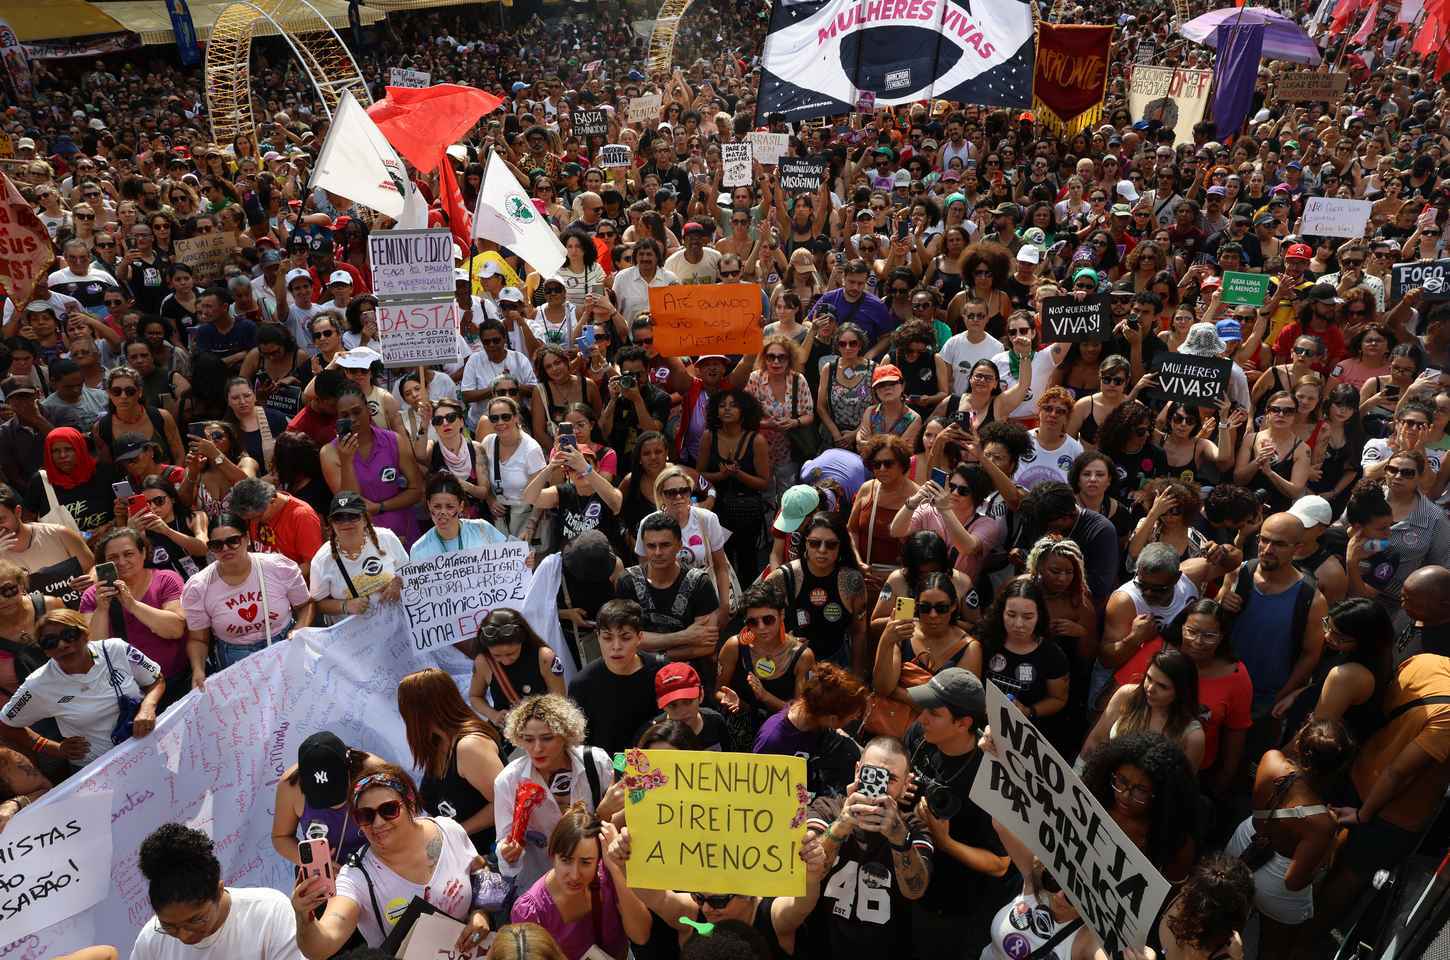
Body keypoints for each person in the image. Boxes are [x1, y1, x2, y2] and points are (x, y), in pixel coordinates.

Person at [291, 765, 492, 956]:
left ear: (411, 805)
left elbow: (479, 873)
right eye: (365, 815)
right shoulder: (356, 877)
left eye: (389, 810)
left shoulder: (448, 830)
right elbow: (322, 945)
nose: (378, 822)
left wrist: (482, 913)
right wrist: (304, 918)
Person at [900, 669, 1011, 957]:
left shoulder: (991, 775)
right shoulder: (919, 736)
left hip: (958, 909)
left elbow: (1000, 864)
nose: (921, 718)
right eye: (923, 708)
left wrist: (945, 842)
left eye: (934, 714)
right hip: (912, 885)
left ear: (963, 724)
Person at [1223, 718, 1354, 954]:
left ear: (1300, 744)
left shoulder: (1271, 759)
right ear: (1339, 767)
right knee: (1274, 949)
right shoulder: (1323, 823)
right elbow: (1294, 881)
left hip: (1243, 844)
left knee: (1223, 926)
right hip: (1275, 883)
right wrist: (1332, 847)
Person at [603, 825, 826, 958]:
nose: (707, 908)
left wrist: (811, 875)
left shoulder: (773, 918)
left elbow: (801, 904)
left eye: (720, 901)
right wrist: (625, 862)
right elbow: (658, 897)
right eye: (699, 897)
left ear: (749, 892)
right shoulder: (691, 916)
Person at [804, 737, 932, 955]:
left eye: (890, 779)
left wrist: (898, 837)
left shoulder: (913, 828)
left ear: (906, 784)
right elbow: (804, 869)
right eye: (870, 774)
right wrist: (841, 826)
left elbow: (915, 891)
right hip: (822, 947)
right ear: (857, 771)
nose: (878, 786)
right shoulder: (826, 809)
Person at [1218, 512, 1327, 761]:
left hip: (1263, 702)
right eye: (1264, 540)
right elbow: (1211, 624)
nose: (1267, 549)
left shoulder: (1312, 599)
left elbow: (1311, 654)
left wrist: (1281, 697)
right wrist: (1221, 602)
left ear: (1298, 548)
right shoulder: (1239, 574)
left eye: (1278, 544)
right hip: (1222, 687)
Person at [0, 609, 164, 769]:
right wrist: (55, 748)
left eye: (69, 635)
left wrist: (148, 707)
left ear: (86, 634)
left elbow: (157, 679)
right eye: (50, 642)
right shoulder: (37, 684)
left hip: (146, 747)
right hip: (97, 770)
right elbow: (6, 724)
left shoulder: (116, 649)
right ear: (45, 651)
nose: (62, 645)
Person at [495, 694, 615, 898]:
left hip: (595, 881)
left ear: (566, 734)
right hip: (542, 888)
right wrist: (508, 852)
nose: (537, 748)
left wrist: (607, 811)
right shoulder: (509, 781)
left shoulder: (595, 762)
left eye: (547, 738)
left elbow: (614, 826)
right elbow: (503, 843)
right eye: (528, 739)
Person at [133, 823, 302, 960]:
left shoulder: (269, 913)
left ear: (219, 891)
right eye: (169, 926)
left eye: (196, 920)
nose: (184, 936)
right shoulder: (151, 940)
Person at [509, 803, 652, 960]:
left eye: (585, 862)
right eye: (566, 860)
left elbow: (641, 935)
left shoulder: (609, 876)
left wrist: (615, 868)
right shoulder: (530, 912)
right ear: (552, 855)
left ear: (599, 860)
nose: (575, 875)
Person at [182, 513, 313, 680]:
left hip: (284, 644)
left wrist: (299, 629)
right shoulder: (198, 588)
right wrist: (198, 670)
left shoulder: (278, 567)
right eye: (217, 545)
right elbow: (198, 640)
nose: (225, 549)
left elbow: (306, 605)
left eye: (233, 541)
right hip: (236, 658)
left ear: (247, 539)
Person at [399, 667, 506, 854]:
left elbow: (506, 802)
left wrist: (458, 831)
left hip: (496, 855)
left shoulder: (470, 746)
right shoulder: (436, 746)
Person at [79, 527, 187, 707]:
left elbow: (175, 629)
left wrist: (133, 605)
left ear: (143, 553)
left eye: (128, 554)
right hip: (129, 691)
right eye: (113, 558)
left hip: (175, 681)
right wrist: (102, 609)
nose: (122, 562)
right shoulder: (93, 596)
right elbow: (94, 651)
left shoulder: (166, 580)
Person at [616, 512, 721, 689]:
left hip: (689, 679)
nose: (657, 553)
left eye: (665, 545)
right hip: (641, 678)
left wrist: (651, 649)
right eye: (651, 546)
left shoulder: (700, 583)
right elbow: (626, 639)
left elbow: (707, 645)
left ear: (679, 545)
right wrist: (685, 636)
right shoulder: (628, 582)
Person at [320, 384, 423, 545]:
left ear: (368, 409)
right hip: (364, 541)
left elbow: (417, 490)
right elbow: (349, 504)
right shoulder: (329, 453)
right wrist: (347, 460)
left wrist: (380, 506)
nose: (352, 419)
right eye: (345, 415)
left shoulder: (394, 441)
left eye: (357, 411)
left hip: (404, 534)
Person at [271, 731, 388, 872]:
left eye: (336, 789)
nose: (333, 804)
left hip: (377, 863)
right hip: (323, 872)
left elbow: (404, 821)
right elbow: (281, 837)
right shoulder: (290, 785)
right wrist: (313, 862)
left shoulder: (374, 771)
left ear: (348, 769)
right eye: (319, 795)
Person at [717, 581, 817, 741]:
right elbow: (718, 690)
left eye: (768, 619)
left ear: (781, 615)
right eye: (753, 622)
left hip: (783, 731)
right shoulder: (734, 646)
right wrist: (737, 703)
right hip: (742, 730)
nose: (761, 627)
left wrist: (765, 696)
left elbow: (802, 713)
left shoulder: (802, 656)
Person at [752, 662, 867, 798]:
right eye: (851, 717)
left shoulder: (817, 722)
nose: (853, 721)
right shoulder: (772, 741)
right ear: (832, 719)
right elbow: (757, 794)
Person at [567, 599, 666, 754]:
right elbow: (577, 743)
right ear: (597, 637)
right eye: (607, 638)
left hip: (656, 766)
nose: (616, 646)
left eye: (625, 638)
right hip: (607, 768)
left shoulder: (660, 672)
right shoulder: (582, 684)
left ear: (639, 637)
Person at [1081, 648, 1206, 771]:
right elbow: (1096, 740)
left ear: (1181, 692)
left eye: (1162, 686)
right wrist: (1078, 773)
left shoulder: (1192, 736)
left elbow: (1181, 787)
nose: (1150, 688)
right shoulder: (1126, 696)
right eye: (1149, 678)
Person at [978, 577, 1069, 727]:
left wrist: (1028, 711)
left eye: (1028, 617)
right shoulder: (985, 642)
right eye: (1011, 615)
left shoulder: (1052, 655)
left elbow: (1058, 699)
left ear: (1039, 616)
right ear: (1001, 613)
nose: (1018, 624)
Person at [307, 492, 407, 623]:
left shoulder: (387, 538)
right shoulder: (322, 559)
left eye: (352, 516)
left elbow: (410, 572)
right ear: (331, 523)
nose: (346, 522)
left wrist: (398, 583)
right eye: (339, 518)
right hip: (353, 636)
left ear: (365, 519)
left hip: (396, 625)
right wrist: (346, 606)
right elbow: (317, 604)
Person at [469, 608, 566, 726]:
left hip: (544, 728)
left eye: (511, 653)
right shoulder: (484, 661)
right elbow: (475, 696)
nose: (505, 661)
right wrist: (493, 715)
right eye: (497, 655)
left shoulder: (544, 657)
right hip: (507, 733)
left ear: (523, 640)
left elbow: (559, 699)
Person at [228, 476, 325, 575]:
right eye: (249, 519)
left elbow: (313, 564)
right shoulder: (254, 514)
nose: (254, 522)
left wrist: (280, 581)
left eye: (258, 517)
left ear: (273, 500)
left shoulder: (302, 516)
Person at [411, 472, 511, 560]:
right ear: (429, 505)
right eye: (437, 506)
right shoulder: (419, 549)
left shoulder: (482, 528)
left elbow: (510, 559)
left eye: (450, 507)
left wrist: (525, 561)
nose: (443, 512)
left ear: (461, 506)